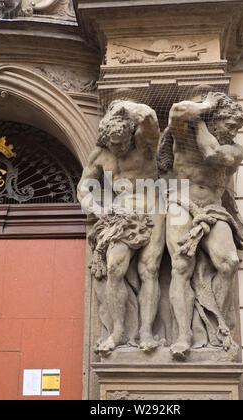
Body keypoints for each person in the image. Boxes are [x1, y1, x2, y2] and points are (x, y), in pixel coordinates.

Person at [160, 91, 243, 360]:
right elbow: (176, 110)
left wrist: (201, 122)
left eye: (236, 127)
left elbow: (212, 154)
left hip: (213, 208)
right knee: (180, 266)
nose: (233, 131)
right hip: (181, 204)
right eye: (229, 125)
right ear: (215, 119)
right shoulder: (182, 136)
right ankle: (183, 335)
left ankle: (215, 325)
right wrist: (207, 105)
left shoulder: (235, 149)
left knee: (229, 262)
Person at [78, 100, 165, 355]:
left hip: (153, 208)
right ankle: (117, 331)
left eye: (123, 141)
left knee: (149, 269)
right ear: (106, 139)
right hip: (120, 213)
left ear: (130, 132)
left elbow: (149, 117)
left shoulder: (145, 146)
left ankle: (147, 332)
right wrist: (98, 208)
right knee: (115, 268)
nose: (119, 147)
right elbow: (83, 188)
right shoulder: (101, 155)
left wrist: (123, 105)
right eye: (114, 144)